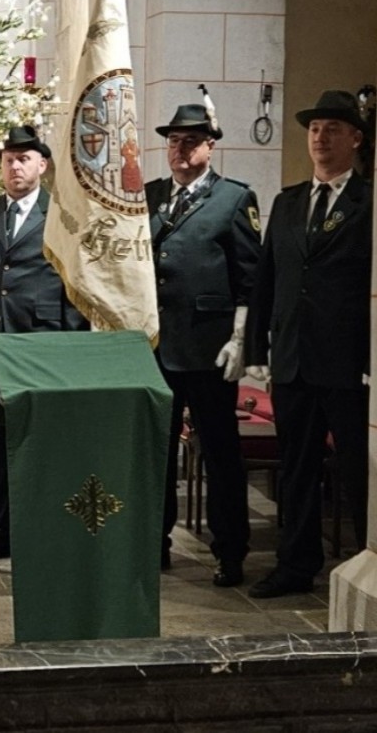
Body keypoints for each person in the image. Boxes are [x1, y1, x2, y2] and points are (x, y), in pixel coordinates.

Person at [245, 90, 373, 599]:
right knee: (296, 471)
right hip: (294, 358)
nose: (321, 137)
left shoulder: (370, 202)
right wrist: (256, 347)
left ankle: (370, 561)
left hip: (350, 363)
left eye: (334, 129)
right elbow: (267, 280)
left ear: (356, 139)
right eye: (315, 128)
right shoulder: (289, 201)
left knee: (361, 470)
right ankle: (295, 565)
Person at [0, 125, 87, 563]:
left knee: (42, 443)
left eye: (24, 158)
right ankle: (1, 532)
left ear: (42, 165)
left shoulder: (61, 213)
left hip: (42, 344)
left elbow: (76, 286)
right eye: (8, 159)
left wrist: (72, 348)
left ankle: (46, 530)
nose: (14, 166)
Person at [145, 103, 262, 587]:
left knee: (220, 454)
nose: (180, 149)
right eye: (173, 140)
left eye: (191, 141)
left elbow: (251, 279)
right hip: (155, 348)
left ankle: (230, 551)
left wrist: (241, 338)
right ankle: (155, 543)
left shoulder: (234, 199)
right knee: (155, 454)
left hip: (210, 349)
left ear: (210, 146)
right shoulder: (149, 195)